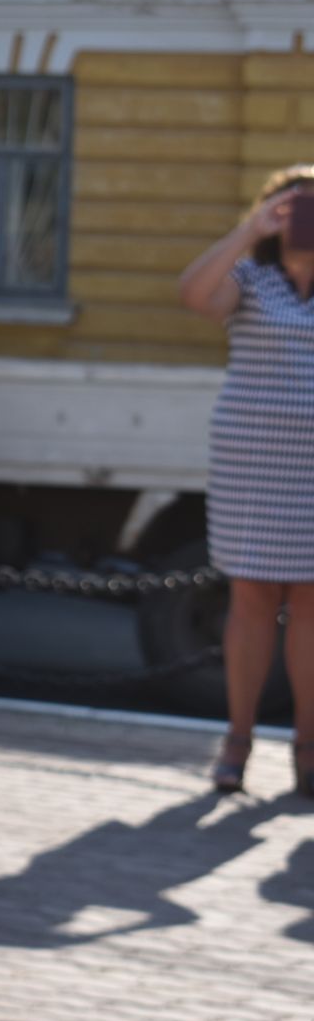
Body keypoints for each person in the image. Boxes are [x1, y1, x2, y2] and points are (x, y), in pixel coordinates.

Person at [178, 163, 314, 798]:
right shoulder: (251, 278)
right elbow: (195, 298)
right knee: (253, 599)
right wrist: (250, 229)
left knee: (312, 605)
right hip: (251, 462)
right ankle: (237, 740)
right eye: (294, 207)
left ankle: (309, 746)